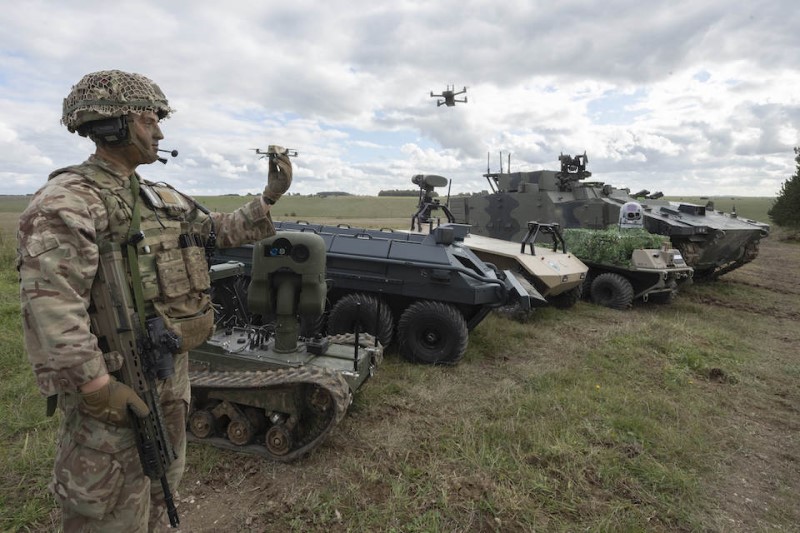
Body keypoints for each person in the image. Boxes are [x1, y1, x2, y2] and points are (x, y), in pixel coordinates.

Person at [16, 69, 292, 532]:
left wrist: (269, 197)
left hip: (167, 375)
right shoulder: (66, 202)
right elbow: (52, 307)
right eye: (148, 120)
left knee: (163, 482)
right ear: (111, 126)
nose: (159, 131)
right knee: (105, 507)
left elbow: (217, 231)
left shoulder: (159, 197)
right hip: (114, 381)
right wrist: (96, 387)